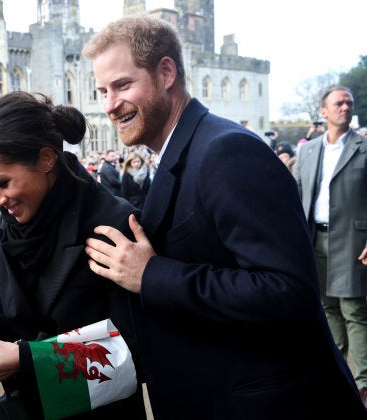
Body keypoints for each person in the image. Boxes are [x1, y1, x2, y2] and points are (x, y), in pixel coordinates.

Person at [81, 15, 366, 419]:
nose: (110, 104)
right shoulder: (182, 152)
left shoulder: (226, 151)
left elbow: (288, 293)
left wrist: (152, 275)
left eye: (123, 85)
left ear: (166, 72)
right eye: (102, 91)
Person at [0, 91, 146, 419]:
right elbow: (12, 311)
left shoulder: (114, 223)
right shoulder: (15, 220)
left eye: (2, 182)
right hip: (32, 400)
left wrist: (26, 358)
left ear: (46, 160)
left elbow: (135, 351)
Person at [293, 86, 367, 407]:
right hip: (314, 238)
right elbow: (295, 197)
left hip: (352, 240)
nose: (345, 107)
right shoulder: (308, 151)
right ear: (323, 112)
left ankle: (363, 385)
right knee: (326, 308)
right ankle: (337, 375)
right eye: (339, 103)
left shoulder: (364, 148)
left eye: (349, 102)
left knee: (354, 310)